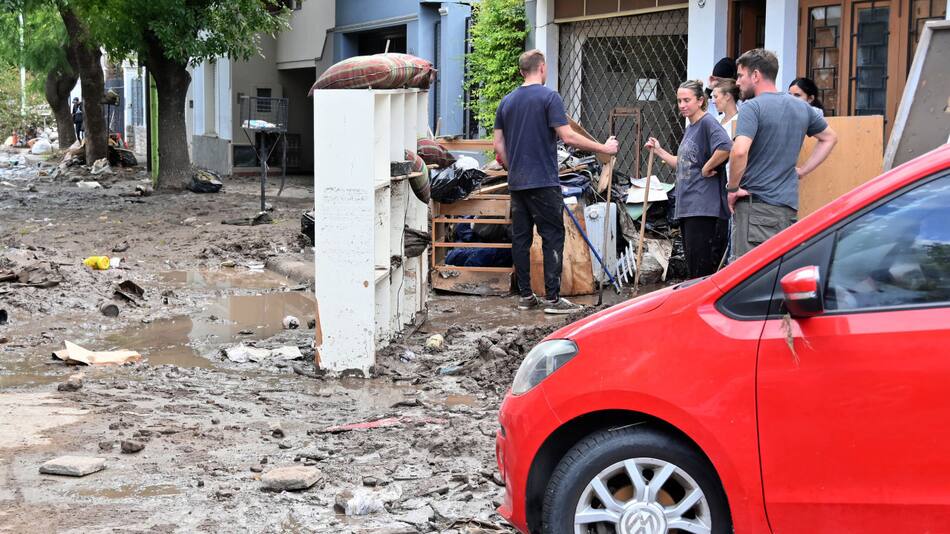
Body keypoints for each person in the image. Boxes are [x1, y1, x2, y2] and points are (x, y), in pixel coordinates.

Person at [493, 49, 618, 314]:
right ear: (542, 68)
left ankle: (526, 296)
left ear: (520, 71)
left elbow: (498, 146)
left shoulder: (506, 102)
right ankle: (552, 299)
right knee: (552, 236)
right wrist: (604, 149)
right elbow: (568, 137)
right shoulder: (550, 97)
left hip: (517, 183)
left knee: (521, 239)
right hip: (543, 181)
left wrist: (513, 167)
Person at [727, 49, 838, 260]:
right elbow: (829, 138)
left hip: (756, 211)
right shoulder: (801, 107)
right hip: (787, 211)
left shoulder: (752, 107)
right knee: (777, 276)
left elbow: (739, 151)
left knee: (747, 281)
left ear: (756, 75)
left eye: (741, 75)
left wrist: (732, 189)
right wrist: (803, 171)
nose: (738, 82)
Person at [644, 80, 732, 278]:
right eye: (679, 101)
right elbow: (684, 163)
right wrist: (659, 151)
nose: (682, 105)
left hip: (703, 207)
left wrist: (706, 168)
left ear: (701, 101)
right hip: (689, 206)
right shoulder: (691, 128)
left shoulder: (707, 123)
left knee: (701, 270)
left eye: (687, 100)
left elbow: (726, 147)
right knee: (694, 267)